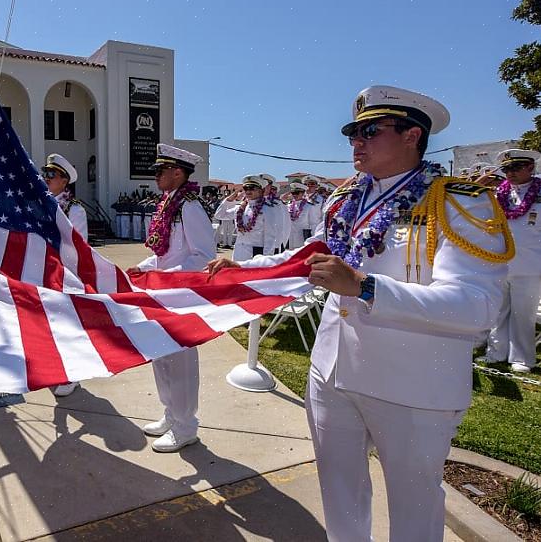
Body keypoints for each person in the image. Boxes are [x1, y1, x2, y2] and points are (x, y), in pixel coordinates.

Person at [207, 85, 512, 541]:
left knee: (414, 506)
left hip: (412, 382)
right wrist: (244, 266)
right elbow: (308, 258)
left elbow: (478, 306)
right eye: (352, 132)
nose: (355, 141)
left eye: (370, 130)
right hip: (332, 372)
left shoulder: (458, 203)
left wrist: (367, 287)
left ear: (413, 135)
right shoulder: (347, 200)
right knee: (339, 493)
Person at [126, 143, 215, 453]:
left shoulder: (190, 206)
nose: (156, 176)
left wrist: (168, 276)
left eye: (160, 170)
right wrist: (145, 267)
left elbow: (204, 255)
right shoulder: (168, 203)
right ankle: (170, 414)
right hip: (161, 291)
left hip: (179, 294)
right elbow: (163, 253)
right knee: (160, 355)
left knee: (180, 361)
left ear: (178, 173)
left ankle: (186, 425)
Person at [481, 148, 541, 373]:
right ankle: (495, 352)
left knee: (523, 313)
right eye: (506, 169)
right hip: (501, 262)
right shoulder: (499, 194)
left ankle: (523, 358)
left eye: (516, 167)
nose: (510, 173)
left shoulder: (540, 191)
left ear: (530, 167)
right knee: (498, 310)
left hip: (530, 264)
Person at [42, 153, 88, 397]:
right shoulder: (42, 204)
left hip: (65, 275)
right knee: (51, 325)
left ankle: (72, 374)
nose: (45, 178)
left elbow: (78, 247)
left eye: (51, 175)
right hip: (44, 273)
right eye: (45, 173)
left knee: (68, 326)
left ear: (65, 181)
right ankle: (58, 368)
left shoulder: (74, 209)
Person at [213, 174, 290, 261]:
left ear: (261, 190)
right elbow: (219, 215)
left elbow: (270, 238)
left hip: (256, 254)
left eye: (252, 188)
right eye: (246, 188)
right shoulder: (240, 208)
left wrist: (266, 260)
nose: (248, 191)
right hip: (239, 253)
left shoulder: (267, 209)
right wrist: (229, 201)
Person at [286, 182, 321, 249]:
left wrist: (313, 241)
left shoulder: (309, 206)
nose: (294, 195)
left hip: (302, 239)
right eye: (293, 193)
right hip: (290, 239)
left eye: (297, 193)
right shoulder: (288, 206)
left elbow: (313, 224)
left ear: (302, 193)